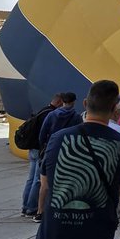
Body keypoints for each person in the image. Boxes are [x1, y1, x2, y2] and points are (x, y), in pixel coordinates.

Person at [34, 80, 120, 239]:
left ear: (85, 104)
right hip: (95, 238)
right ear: (114, 110)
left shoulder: (57, 138)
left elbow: (45, 184)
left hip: (53, 237)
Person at [34, 92, 82, 222]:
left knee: (44, 184)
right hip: (69, 153)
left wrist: (44, 147)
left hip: (51, 150)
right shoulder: (77, 117)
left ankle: (39, 212)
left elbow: (42, 134)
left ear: (62, 101)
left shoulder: (52, 115)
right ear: (73, 102)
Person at [21, 93, 63, 218]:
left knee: (30, 179)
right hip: (40, 150)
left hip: (32, 149)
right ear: (60, 102)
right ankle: (32, 208)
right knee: (38, 180)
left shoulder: (42, 111)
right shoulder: (50, 114)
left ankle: (25, 206)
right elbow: (45, 134)